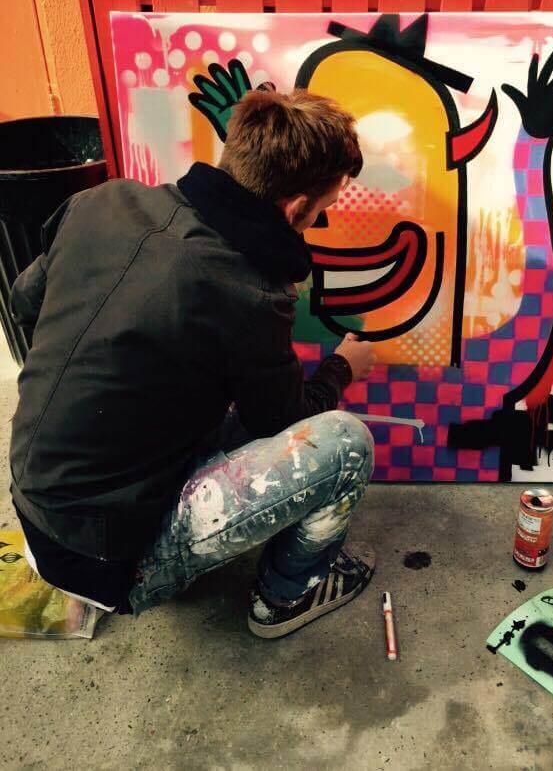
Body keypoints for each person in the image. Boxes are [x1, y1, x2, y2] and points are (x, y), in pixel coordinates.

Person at [8, 87, 378, 638]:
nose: (316, 221)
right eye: (320, 210)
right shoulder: (249, 290)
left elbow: (23, 302)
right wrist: (341, 367)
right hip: (108, 564)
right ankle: (285, 596)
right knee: (345, 445)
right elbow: (287, 423)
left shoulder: (102, 202)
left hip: (34, 505)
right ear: (295, 208)